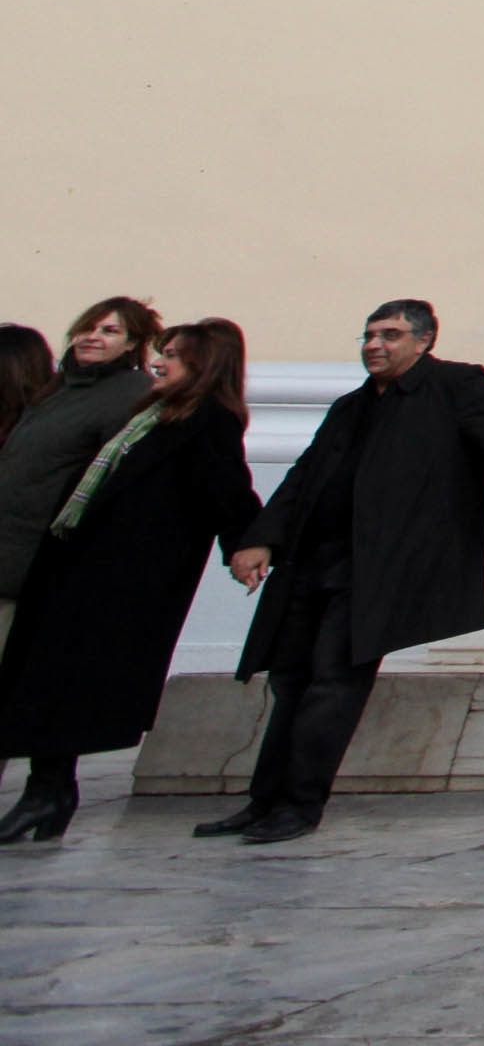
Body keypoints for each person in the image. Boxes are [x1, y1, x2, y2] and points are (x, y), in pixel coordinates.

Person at [211, 299, 484, 844]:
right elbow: (305, 475)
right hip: (311, 562)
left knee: (332, 683)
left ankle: (299, 805)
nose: (374, 345)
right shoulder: (351, 406)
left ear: (424, 340)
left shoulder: (457, 386)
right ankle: (264, 801)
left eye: (390, 334)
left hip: (378, 568)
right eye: (368, 335)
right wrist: (260, 540)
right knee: (290, 679)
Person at [0, 318, 257, 843]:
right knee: (48, 686)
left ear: (204, 365)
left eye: (175, 356)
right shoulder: (153, 414)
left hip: (121, 579)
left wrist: (247, 546)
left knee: (63, 686)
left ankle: (46, 795)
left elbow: (229, 490)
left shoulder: (209, 420)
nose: (160, 363)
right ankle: (48, 792)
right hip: (76, 567)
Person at [0, 300, 163, 663]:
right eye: (87, 328)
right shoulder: (60, 389)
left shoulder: (130, 393)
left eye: (110, 331)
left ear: (132, 343)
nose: (92, 337)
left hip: (30, 564)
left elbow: (110, 481)